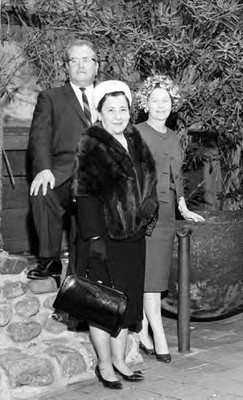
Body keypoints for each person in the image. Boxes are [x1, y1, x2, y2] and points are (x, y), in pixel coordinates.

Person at [73, 80, 158, 389]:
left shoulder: (135, 138)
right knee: (103, 305)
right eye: (111, 110)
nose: (119, 115)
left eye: (123, 109)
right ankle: (105, 365)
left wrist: (149, 207)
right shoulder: (91, 143)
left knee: (127, 301)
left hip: (133, 236)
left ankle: (121, 361)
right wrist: (95, 239)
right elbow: (84, 194)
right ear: (99, 113)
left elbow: (150, 176)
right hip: (103, 238)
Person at [135, 75, 204, 363]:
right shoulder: (135, 133)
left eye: (166, 101)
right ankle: (156, 334)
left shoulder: (175, 137)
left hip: (165, 215)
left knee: (157, 275)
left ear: (172, 104)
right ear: (145, 104)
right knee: (148, 275)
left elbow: (177, 178)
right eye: (155, 100)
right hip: (143, 213)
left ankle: (141, 329)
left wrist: (183, 208)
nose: (161, 105)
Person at [27, 39, 99, 283]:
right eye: (74, 60)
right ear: (66, 67)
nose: (80, 65)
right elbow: (40, 135)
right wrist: (44, 169)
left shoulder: (109, 98)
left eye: (86, 59)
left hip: (100, 174)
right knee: (41, 192)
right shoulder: (51, 97)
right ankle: (49, 260)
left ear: (96, 66)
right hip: (63, 172)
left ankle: (85, 273)